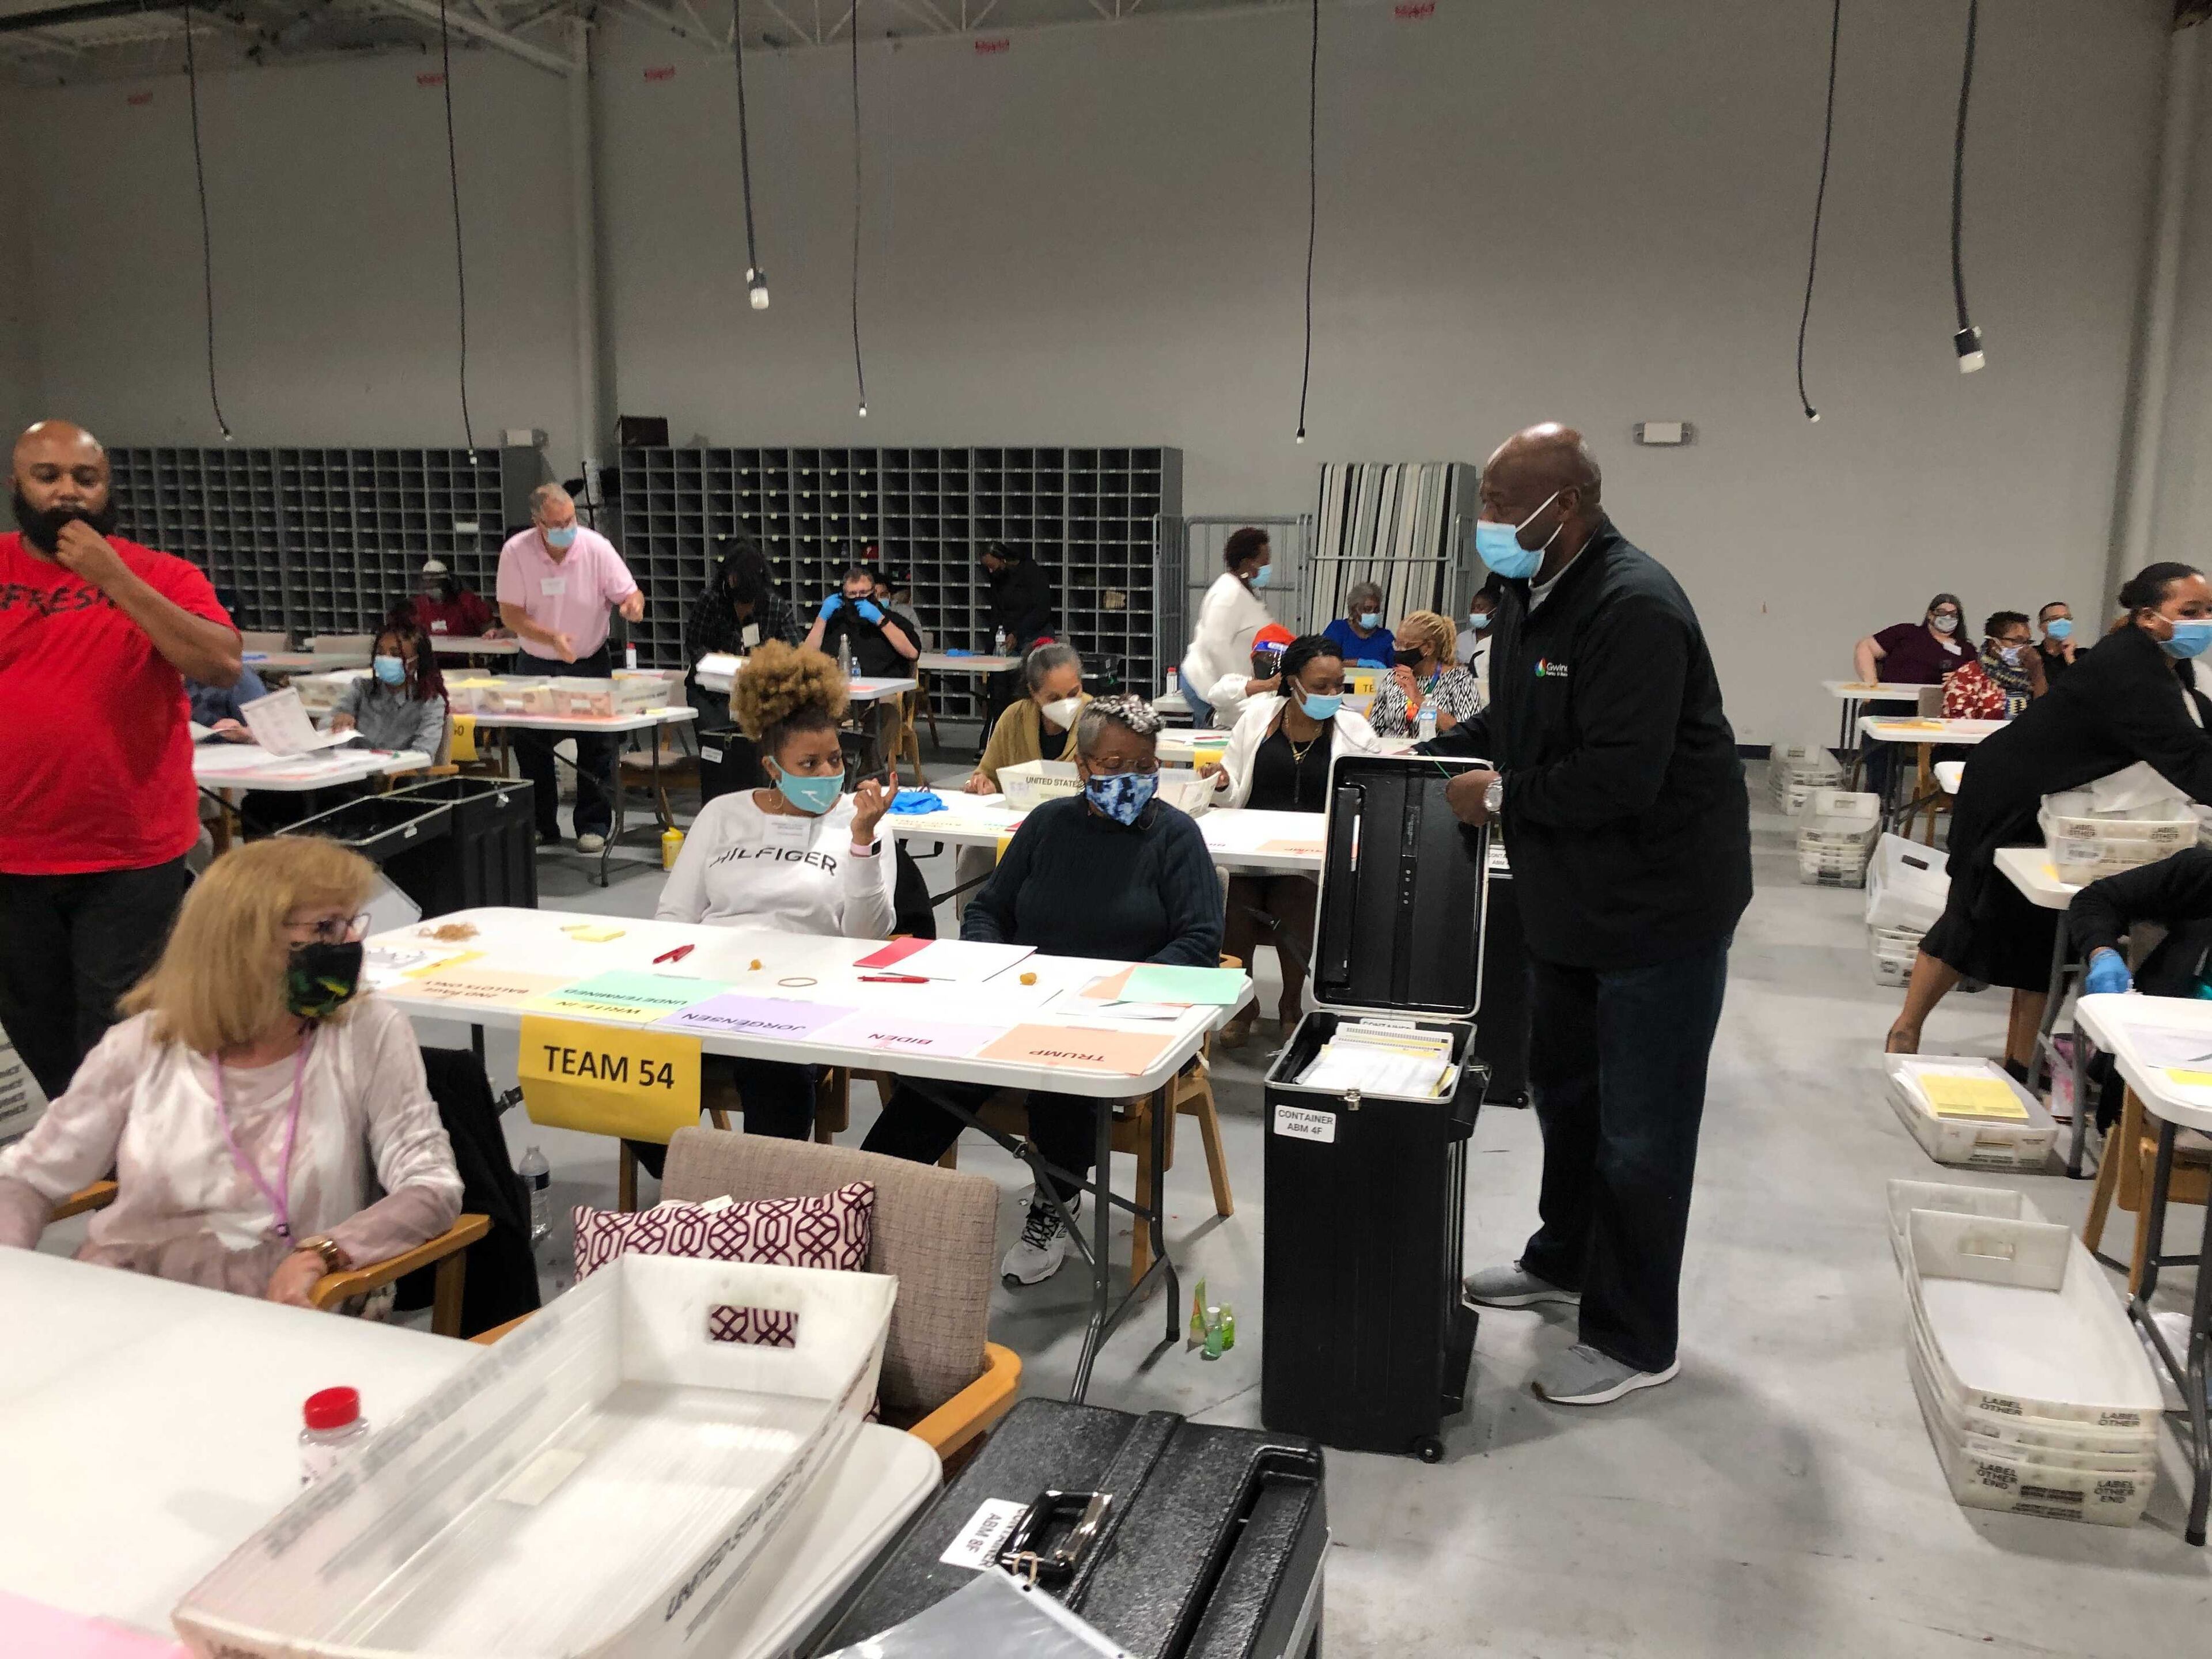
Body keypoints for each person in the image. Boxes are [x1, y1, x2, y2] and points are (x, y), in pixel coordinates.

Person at [1429, 423, 1751, 1408]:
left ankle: (1636, 1336)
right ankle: (1562, 1260)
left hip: (1658, 908)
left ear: (1562, 506)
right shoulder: (1531, 594)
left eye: (1497, 505)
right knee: (1567, 1099)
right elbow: (1523, 722)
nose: (1485, 524)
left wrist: (1499, 797)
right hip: (1570, 900)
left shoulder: (1634, 605)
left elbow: (1621, 774)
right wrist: (1436, 751)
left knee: (1642, 1134)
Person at [0, 838, 463, 1300]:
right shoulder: (142, 1045)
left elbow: (432, 1184)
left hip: (291, 1310)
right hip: (131, 1302)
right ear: (245, 946)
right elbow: (25, 1178)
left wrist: (324, 1253)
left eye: (349, 924)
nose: (348, 945)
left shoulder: (366, 1032)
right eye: (325, 927)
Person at [862, 696, 1222, 1283]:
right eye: (1112, 765)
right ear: (1081, 768)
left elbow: (1200, 941)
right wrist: (996, 965)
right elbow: (989, 908)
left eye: (1144, 766)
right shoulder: (1049, 824)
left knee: (1063, 1076)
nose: (1130, 780)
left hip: (1116, 1015)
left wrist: (1117, 991)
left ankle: (1057, 1201)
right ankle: (876, 1196)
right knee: (936, 1066)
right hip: (1020, 1000)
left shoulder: (1176, 838)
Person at [1, 419, 244, 1102]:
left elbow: (220, 663)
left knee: (123, 1028)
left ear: (108, 488)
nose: (68, 493)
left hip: (128, 853)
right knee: (35, 1028)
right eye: (47, 477)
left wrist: (112, 576)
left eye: (86, 478)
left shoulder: (161, 574)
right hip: (12, 855)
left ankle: (140, 1171)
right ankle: (88, 1158)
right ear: (17, 486)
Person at [1887, 562, 2212, 1067]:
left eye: (2209, 610)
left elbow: (2196, 725)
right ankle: (1905, 1032)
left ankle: (2020, 1065)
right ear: (2148, 617)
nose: (2204, 621)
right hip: (2009, 795)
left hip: (2058, 799)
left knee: (2040, 934)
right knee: (1970, 917)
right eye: (2190, 611)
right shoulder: (2129, 668)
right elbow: (2190, 758)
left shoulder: (2167, 662)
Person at [649, 642, 894, 1159]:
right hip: (711, 988)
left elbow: (868, 938)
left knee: (774, 1067)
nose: (829, 773)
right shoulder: (723, 814)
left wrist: (861, 843)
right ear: (771, 767)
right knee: (624, 1056)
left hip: (799, 996)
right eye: (808, 764)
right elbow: (673, 916)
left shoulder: (863, 819)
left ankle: (757, 1193)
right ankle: (691, 1178)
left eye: (835, 760)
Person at [1200, 635, 1382, 1044]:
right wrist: (1222, 781)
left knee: (1295, 896)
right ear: (1293, 682)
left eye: (1340, 685)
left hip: (1310, 855)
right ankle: (1243, 1007)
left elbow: (1367, 794)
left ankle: (1290, 1003)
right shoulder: (1257, 719)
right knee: (1235, 899)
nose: (1333, 694)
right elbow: (1230, 788)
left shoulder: (1353, 729)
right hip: (1248, 845)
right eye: (1321, 686)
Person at [495, 483, 644, 853]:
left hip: (590, 660)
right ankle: (542, 825)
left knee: (597, 746)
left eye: (571, 519)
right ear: (537, 523)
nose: (567, 527)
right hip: (536, 662)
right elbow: (511, 614)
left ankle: (593, 825)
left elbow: (630, 592)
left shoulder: (596, 548)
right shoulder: (516, 552)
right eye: (557, 523)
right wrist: (551, 638)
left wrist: (631, 605)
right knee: (532, 748)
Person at [1181, 527, 1275, 730]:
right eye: (1264, 561)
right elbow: (1216, 646)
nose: (1268, 566)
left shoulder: (1246, 592)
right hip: (1209, 687)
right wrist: (1240, 689)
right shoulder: (1227, 595)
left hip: (1236, 688)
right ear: (1246, 564)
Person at [331, 618, 449, 756]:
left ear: (416, 661)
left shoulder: (430, 702)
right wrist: (339, 719)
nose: (386, 658)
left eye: (396, 655)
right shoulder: (360, 688)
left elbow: (423, 755)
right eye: (380, 653)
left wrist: (388, 764)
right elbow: (328, 726)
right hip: (352, 770)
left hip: (399, 775)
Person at [979, 541, 1059, 733]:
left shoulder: (1033, 573)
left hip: (1034, 636)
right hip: (1007, 638)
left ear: (1003, 559)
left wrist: (1018, 633)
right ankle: (995, 737)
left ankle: (1031, 733)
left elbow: (1042, 611)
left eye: (992, 566)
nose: (991, 572)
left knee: (1026, 688)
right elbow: (997, 613)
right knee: (998, 689)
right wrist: (989, 651)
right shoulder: (999, 578)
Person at [1367, 610, 1483, 738]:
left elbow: (1468, 734)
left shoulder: (1459, 680)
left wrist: (1419, 699)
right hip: (1392, 753)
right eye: (1397, 645)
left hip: (1433, 754)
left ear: (1428, 647)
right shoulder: (1393, 677)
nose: (1399, 651)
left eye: (1405, 646)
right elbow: (1373, 728)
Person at [806, 565, 919, 680]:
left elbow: (912, 653)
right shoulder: (835, 622)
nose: (858, 597)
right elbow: (806, 656)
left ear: (874, 593)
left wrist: (881, 621)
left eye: (863, 593)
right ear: (843, 594)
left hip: (883, 690)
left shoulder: (894, 620)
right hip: (840, 689)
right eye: (852, 594)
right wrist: (822, 618)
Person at [1940, 611, 2044, 720]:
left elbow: (2044, 716)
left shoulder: (2032, 672)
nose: (2025, 648)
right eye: (2017, 641)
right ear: (1994, 643)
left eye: (2028, 642)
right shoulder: (1968, 676)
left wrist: (2037, 672)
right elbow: (1955, 723)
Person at [1854, 593, 1969, 687]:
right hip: (1891, 704)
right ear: (1930, 614)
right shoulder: (1907, 633)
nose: (1948, 617)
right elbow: (1866, 647)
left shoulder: (1967, 650)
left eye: (1953, 615)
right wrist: (1871, 685)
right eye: (1942, 612)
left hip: (1935, 708)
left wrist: (1961, 680)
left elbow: (1978, 679)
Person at [406, 558, 498, 639]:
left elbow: (490, 625)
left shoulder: (468, 601)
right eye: (427, 580)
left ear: (447, 582)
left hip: (464, 655)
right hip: (432, 655)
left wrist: (489, 635)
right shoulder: (418, 605)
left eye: (435, 580)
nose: (430, 585)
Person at [1321, 582, 1396, 669]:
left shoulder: (1386, 637)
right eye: (1367, 609)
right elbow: (1323, 661)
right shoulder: (1338, 629)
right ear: (1354, 610)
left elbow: (1395, 668)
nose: (1373, 614)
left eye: (1376, 610)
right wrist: (1359, 663)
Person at [190, 661, 270, 741]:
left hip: (228, 749)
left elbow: (268, 733)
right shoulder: (181, 679)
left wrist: (244, 733)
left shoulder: (237, 677)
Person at [1458, 576, 1503, 699]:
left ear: (1495, 611)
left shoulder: (1502, 641)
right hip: (1463, 696)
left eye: (1480, 608)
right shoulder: (1461, 640)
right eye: (1473, 608)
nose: (1475, 612)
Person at [2035, 600, 2078, 684]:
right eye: (2055, 619)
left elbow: (2087, 685)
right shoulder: (2032, 654)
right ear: (2041, 627)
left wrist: (2070, 658)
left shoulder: (2084, 655)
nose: (2062, 623)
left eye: (2067, 618)